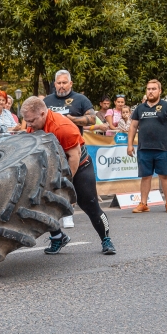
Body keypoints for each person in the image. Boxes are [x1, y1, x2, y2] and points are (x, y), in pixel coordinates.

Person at [21, 96, 116, 255]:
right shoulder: (33, 126)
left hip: (79, 166)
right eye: (26, 121)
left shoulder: (62, 127)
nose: (28, 125)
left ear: (43, 114)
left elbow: (74, 156)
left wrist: (66, 182)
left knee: (90, 206)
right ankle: (58, 237)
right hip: (54, 166)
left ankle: (106, 240)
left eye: (31, 120)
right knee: (42, 203)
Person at [126, 79, 167, 214]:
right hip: (144, 148)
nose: (151, 91)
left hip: (163, 148)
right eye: (149, 89)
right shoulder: (140, 108)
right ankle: (143, 204)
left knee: (165, 176)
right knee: (145, 177)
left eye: (154, 89)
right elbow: (133, 126)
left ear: (160, 91)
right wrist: (130, 145)